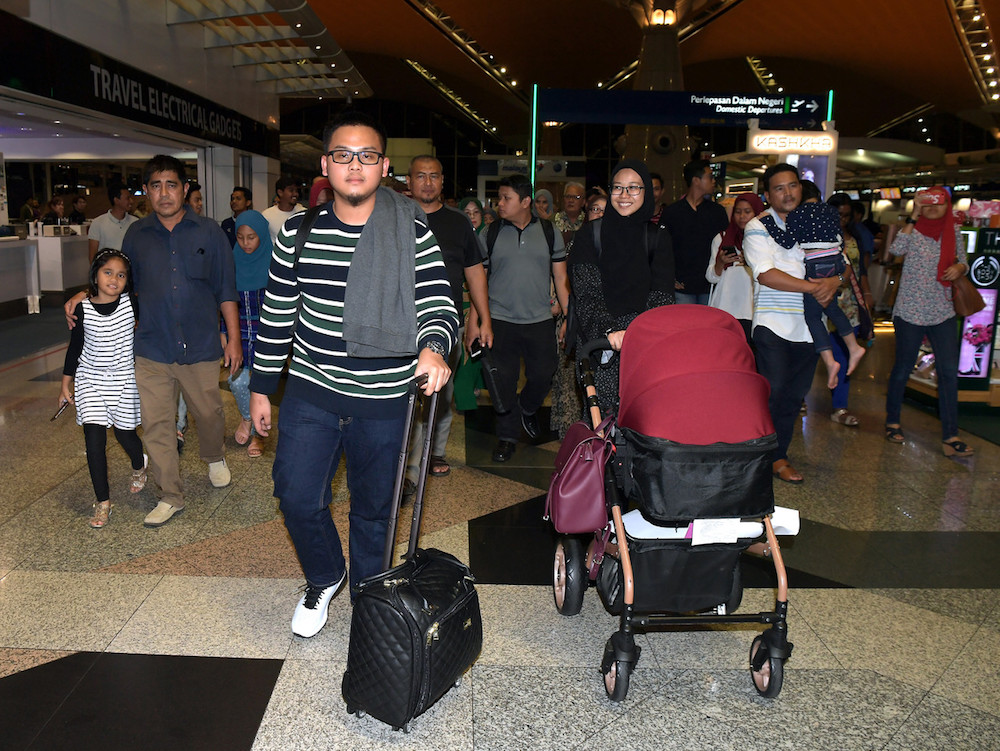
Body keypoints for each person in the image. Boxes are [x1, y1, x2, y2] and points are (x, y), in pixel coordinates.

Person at [249, 112, 458, 638]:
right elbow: (276, 313)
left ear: (385, 166)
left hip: (386, 399)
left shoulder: (411, 230)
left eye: (368, 155)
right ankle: (325, 575)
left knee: (374, 512)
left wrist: (433, 347)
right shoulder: (297, 232)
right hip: (312, 392)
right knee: (296, 496)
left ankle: (371, 599)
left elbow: (438, 299)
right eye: (343, 154)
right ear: (326, 164)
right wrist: (259, 388)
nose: (355, 165)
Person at [68, 155, 241, 527]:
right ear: (146, 191)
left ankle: (214, 455)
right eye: (156, 185)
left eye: (172, 184)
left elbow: (226, 288)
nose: (164, 193)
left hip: (199, 345)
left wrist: (234, 339)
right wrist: (84, 295)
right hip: (151, 347)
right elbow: (118, 284)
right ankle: (170, 494)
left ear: (185, 189)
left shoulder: (209, 232)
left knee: (209, 413)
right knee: (157, 424)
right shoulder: (137, 235)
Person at [742, 163, 841, 485]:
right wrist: (815, 287)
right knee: (774, 391)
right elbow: (765, 274)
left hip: (810, 327)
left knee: (793, 396)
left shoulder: (818, 221)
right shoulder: (758, 227)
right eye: (780, 188)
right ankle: (763, 453)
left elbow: (843, 264)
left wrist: (836, 280)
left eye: (793, 186)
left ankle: (777, 453)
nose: (788, 193)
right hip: (772, 324)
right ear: (768, 195)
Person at [404, 155, 492, 483]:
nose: (427, 183)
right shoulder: (397, 220)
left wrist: (483, 318)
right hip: (402, 325)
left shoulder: (458, 223)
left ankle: (434, 451)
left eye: (434, 177)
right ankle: (407, 460)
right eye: (421, 176)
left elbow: (474, 272)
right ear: (410, 182)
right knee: (405, 394)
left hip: (446, 323)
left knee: (443, 391)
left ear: (442, 182)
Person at [474, 174, 569, 462]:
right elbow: (479, 280)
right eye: (499, 198)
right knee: (502, 383)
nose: (499, 204)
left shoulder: (550, 232)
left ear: (525, 202)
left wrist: (568, 317)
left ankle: (527, 407)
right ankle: (507, 437)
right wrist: (476, 322)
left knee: (543, 374)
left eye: (506, 198)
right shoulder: (488, 234)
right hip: (499, 320)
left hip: (539, 320)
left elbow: (561, 277)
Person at [568, 160, 675, 415]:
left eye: (633, 188)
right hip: (598, 339)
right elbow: (586, 293)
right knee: (602, 420)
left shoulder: (658, 236)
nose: (624, 195)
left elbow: (661, 295)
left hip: (644, 341)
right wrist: (610, 331)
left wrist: (637, 332)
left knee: (643, 417)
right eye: (618, 188)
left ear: (646, 192)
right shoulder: (589, 235)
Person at [59, 250, 146, 529]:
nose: (114, 279)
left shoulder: (131, 303)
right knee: (94, 442)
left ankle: (138, 463)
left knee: (125, 435)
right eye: (107, 272)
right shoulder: (82, 308)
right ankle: (103, 502)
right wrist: (65, 383)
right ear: (95, 275)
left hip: (124, 379)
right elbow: (75, 348)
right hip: (90, 380)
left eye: (121, 275)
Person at [884, 187, 973, 457]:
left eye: (939, 204)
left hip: (942, 311)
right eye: (928, 204)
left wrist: (961, 267)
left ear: (947, 206)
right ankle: (892, 421)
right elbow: (895, 250)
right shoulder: (913, 230)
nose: (933, 208)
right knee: (902, 368)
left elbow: (964, 260)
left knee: (948, 373)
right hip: (910, 311)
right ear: (921, 205)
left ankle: (950, 435)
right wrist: (912, 218)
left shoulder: (952, 231)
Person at [783, 200, 867, 390]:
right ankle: (853, 347)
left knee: (813, 317)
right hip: (836, 262)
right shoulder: (830, 213)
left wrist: (770, 224)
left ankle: (830, 361)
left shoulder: (798, 215)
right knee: (832, 308)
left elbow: (787, 241)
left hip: (816, 266)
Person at [549, 191, 609, 438]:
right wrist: (567, 319)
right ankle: (571, 432)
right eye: (595, 209)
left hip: (610, 324)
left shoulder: (621, 244)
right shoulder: (577, 242)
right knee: (570, 378)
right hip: (576, 316)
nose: (600, 215)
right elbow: (566, 282)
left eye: (605, 211)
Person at [222, 210, 272, 459]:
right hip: (239, 335)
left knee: (261, 386)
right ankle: (246, 417)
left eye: (251, 237)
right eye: (240, 238)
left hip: (266, 338)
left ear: (261, 235)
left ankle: (259, 436)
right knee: (237, 381)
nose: (245, 243)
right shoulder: (230, 264)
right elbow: (224, 300)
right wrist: (225, 334)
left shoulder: (274, 264)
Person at [662, 160, 729, 304]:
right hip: (682, 285)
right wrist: (670, 278)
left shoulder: (717, 212)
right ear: (696, 180)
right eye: (710, 177)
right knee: (684, 326)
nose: (713, 181)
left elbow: (725, 244)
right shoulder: (672, 212)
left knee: (708, 326)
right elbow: (663, 248)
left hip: (710, 284)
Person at [705, 192, 764, 343]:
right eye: (738, 212)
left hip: (753, 310)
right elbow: (711, 277)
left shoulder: (765, 239)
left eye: (747, 211)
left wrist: (751, 262)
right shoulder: (721, 238)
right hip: (725, 307)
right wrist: (720, 263)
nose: (742, 216)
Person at [88, 182, 137, 260]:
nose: (131, 201)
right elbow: (92, 258)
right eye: (127, 198)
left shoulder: (135, 223)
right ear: (116, 200)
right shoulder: (98, 223)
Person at [261, 177, 305, 245]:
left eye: (296, 191)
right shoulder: (267, 215)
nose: (295, 194)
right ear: (280, 192)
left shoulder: (304, 213)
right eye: (291, 190)